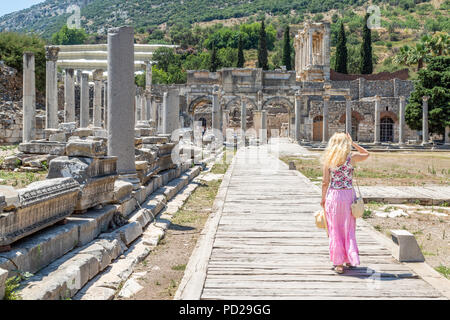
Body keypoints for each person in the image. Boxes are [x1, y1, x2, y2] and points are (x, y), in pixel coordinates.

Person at [320, 132, 370, 274]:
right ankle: (349, 259)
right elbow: (366, 154)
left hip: (334, 196)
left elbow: (325, 182)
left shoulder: (328, 159)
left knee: (335, 229)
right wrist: (353, 143)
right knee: (348, 229)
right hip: (348, 195)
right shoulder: (351, 158)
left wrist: (323, 199)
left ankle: (339, 263)